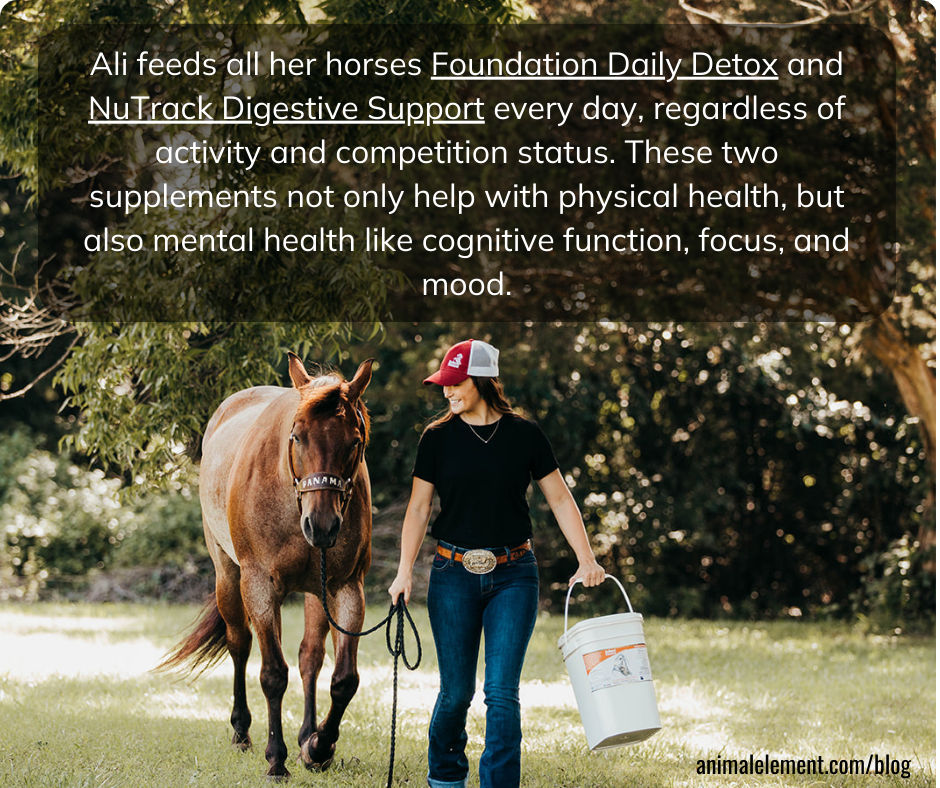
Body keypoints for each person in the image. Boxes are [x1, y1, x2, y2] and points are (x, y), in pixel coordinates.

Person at [388, 338, 606, 788]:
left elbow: (561, 499)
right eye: (443, 384)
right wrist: (404, 570)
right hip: (452, 575)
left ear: (482, 380)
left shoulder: (526, 436)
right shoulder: (437, 438)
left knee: (502, 694)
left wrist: (587, 559)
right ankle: (446, 779)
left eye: (455, 382)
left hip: (514, 575)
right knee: (455, 694)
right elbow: (417, 509)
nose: (447, 392)